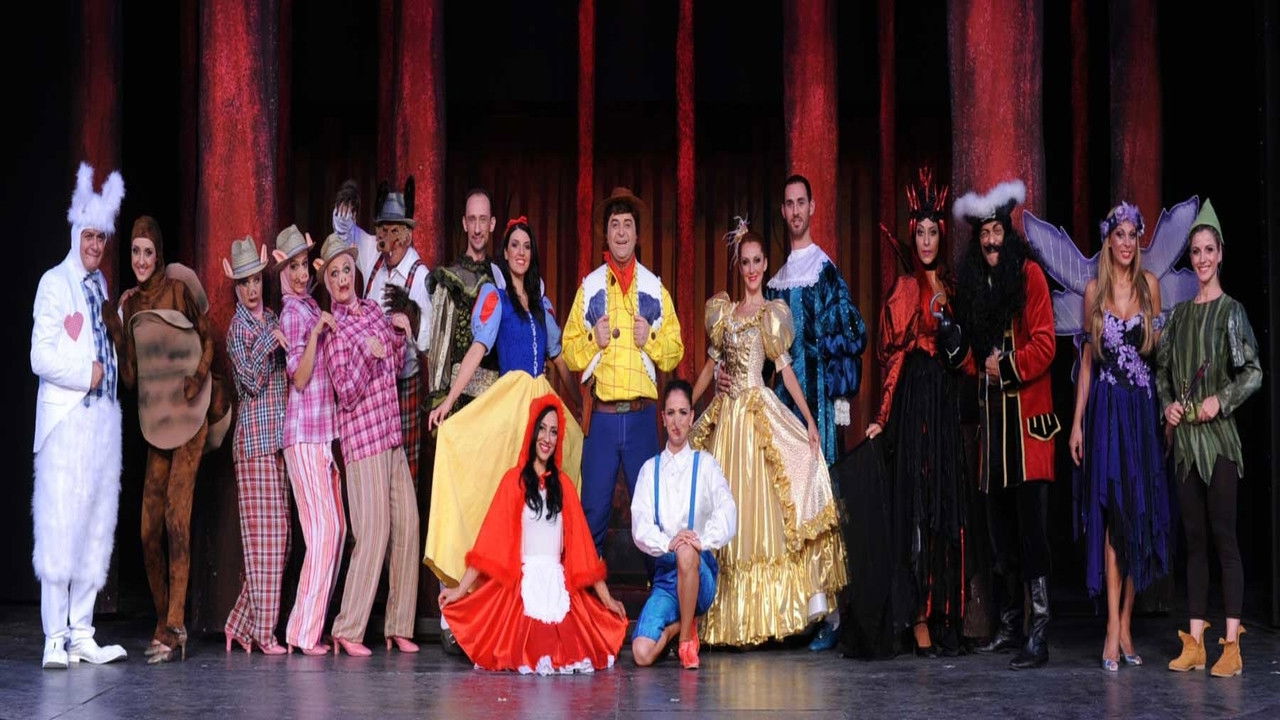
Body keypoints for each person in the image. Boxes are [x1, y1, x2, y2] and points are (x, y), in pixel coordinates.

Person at [690, 223, 847, 647]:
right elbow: (710, 366)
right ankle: (722, 616)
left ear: (764, 264)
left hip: (757, 414)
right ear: (739, 267)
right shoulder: (723, 313)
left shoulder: (771, 314)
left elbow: (784, 370)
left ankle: (773, 616)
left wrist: (809, 420)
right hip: (728, 421)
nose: (752, 269)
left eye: (758, 261)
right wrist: (687, 404)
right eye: (746, 262)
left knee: (765, 514)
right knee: (725, 509)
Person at [424, 217, 583, 588]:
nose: (521, 252)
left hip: (542, 400)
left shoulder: (542, 304)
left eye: (526, 246)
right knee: (509, 491)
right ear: (506, 254)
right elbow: (478, 349)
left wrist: (578, 405)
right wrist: (448, 401)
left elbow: (557, 358)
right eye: (514, 246)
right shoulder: (495, 298)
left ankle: (546, 578)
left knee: (561, 467)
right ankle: (491, 582)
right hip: (512, 403)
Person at [437, 395, 629, 675]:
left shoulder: (564, 486)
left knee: (568, 649)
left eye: (553, 431)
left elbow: (584, 550)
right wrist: (459, 590)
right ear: (531, 431)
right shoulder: (512, 481)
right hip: (520, 589)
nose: (547, 438)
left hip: (559, 587)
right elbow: (489, 543)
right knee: (523, 650)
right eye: (542, 429)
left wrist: (607, 599)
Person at [953, 179, 1057, 670]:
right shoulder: (977, 285)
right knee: (1001, 538)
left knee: (1032, 536)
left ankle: (1039, 633)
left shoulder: (1029, 276)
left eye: (997, 231)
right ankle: (1013, 626)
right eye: (984, 234)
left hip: (1028, 434)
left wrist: (1006, 366)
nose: (991, 241)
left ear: (1008, 233)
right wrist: (960, 352)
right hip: (994, 439)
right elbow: (977, 362)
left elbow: (1046, 344)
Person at [865, 169, 969, 656]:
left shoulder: (951, 283)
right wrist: (883, 416)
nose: (926, 240)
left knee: (945, 504)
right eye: (920, 232)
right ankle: (919, 617)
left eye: (933, 232)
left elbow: (964, 355)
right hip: (915, 401)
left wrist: (958, 346)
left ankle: (945, 611)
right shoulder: (906, 287)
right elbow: (892, 359)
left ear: (941, 236)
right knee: (918, 508)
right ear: (913, 235)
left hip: (945, 404)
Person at [1066, 203, 1172, 671]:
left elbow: (1160, 360)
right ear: (1108, 240)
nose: (1126, 242)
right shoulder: (1095, 291)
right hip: (1107, 412)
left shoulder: (1151, 287)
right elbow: (1088, 364)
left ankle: (1127, 621)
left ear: (1138, 240)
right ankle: (1111, 627)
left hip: (1142, 412)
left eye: (1133, 235)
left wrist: (1169, 415)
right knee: (1112, 517)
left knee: (1137, 516)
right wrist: (1076, 423)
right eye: (1119, 234)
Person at [31, 162, 128, 669]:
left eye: (100, 237)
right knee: (60, 524)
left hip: (102, 423)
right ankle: (54, 636)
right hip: (67, 420)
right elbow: (40, 356)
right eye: (88, 236)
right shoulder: (55, 283)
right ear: (76, 235)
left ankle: (82, 632)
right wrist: (84, 373)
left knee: (94, 525)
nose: (94, 245)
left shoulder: (102, 286)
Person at [762, 174, 865, 651]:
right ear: (783, 211)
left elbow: (853, 332)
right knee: (789, 504)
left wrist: (838, 393)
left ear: (813, 207)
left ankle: (832, 614)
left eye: (802, 202)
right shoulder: (776, 279)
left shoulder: (824, 271)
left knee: (821, 502)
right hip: (783, 405)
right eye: (789, 204)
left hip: (817, 404)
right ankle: (797, 611)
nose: (796, 211)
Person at [1158, 200, 1261, 678]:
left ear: (1220, 254)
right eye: (1195, 251)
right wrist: (1168, 406)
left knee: (1223, 538)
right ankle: (1196, 642)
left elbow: (1253, 372)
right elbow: (1162, 373)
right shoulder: (1179, 317)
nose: (1201, 258)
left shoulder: (1231, 312)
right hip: (1186, 446)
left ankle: (1232, 646)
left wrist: (1222, 399)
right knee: (1194, 541)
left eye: (1208, 250)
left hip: (1218, 442)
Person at [562, 187, 685, 555]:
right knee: (593, 512)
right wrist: (593, 340)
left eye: (627, 224)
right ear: (606, 233)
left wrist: (650, 340)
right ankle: (588, 588)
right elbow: (569, 352)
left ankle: (659, 587)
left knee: (650, 513)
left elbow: (675, 351)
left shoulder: (654, 288)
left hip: (641, 418)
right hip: (601, 418)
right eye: (614, 224)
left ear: (637, 234)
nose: (620, 232)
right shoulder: (590, 287)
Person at [117, 214, 215, 664]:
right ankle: (163, 620)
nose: (141, 260)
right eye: (135, 252)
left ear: (158, 254)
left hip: (190, 418)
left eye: (148, 252)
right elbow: (131, 379)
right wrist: (117, 329)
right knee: (146, 530)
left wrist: (198, 376)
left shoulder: (177, 289)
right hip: (158, 425)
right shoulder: (132, 305)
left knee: (177, 518)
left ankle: (176, 627)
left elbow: (207, 337)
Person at [318, 233, 421, 656]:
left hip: (390, 434)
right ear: (327, 283)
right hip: (363, 443)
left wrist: (399, 337)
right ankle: (347, 628)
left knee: (408, 526)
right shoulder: (334, 330)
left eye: (347, 270)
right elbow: (345, 391)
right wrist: (368, 354)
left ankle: (399, 626)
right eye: (335, 274)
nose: (343, 278)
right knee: (373, 533)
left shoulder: (375, 310)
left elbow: (393, 365)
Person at [631, 380, 737, 669]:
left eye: (682, 413)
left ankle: (686, 643)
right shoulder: (649, 470)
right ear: (663, 418)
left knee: (687, 551)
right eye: (670, 413)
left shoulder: (706, 464)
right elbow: (640, 525)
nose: (676, 421)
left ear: (692, 417)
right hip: (666, 579)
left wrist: (702, 540)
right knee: (641, 653)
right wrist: (668, 543)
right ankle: (683, 627)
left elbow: (727, 509)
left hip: (699, 574)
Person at [274, 226, 345, 655]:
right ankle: (301, 632)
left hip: (321, 434)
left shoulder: (310, 306)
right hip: (302, 434)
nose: (302, 274)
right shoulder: (292, 315)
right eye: (294, 267)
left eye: (304, 265)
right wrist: (317, 333)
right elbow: (299, 379)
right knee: (324, 532)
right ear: (282, 272)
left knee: (335, 529)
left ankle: (309, 627)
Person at [332, 178, 432, 480]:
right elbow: (344, 233)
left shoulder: (420, 275)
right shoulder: (372, 253)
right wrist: (345, 207)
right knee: (373, 467)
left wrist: (412, 313)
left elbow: (428, 340)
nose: (388, 243)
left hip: (402, 382)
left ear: (407, 236)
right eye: (383, 232)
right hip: (369, 381)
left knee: (404, 468)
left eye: (394, 233)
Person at [221, 235, 292, 654]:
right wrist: (269, 341)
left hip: (277, 440)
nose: (251, 289)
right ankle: (264, 633)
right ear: (236, 287)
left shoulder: (272, 318)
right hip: (253, 443)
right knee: (267, 539)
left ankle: (239, 623)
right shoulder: (239, 330)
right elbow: (250, 381)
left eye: (255, 281)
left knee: (279, 539)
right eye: (244, 282)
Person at [424, 188, 506, 412]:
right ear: (464, 223)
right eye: (472, 220)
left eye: (483, 220)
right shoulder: (449, 279)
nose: (477, 229)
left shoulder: (502, 278)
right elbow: (439, 353)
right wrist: (441, 402)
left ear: (492, 224)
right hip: (459, 404)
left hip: (495, 403)